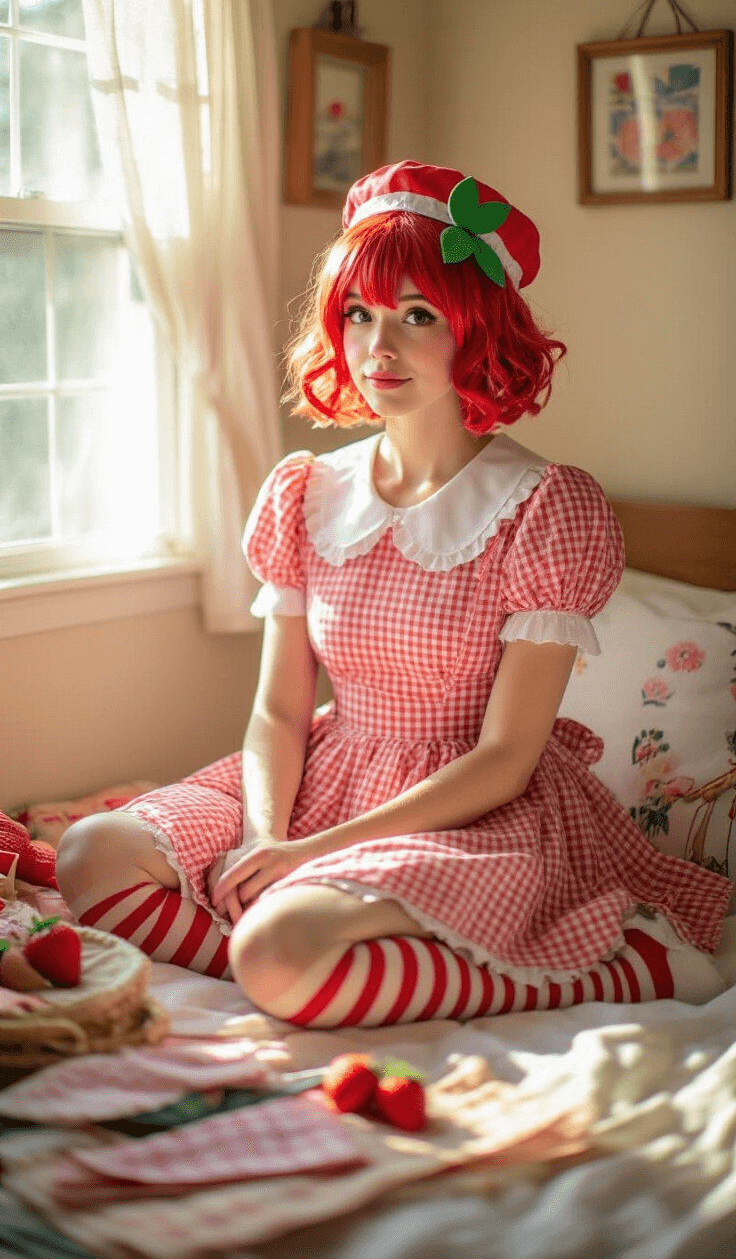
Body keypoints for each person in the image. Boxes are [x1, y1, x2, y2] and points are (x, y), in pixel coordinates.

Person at [56, 161, 732, 1026]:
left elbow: (506, 759)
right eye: (359, 314)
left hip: (480, 815)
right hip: (323, 778)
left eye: (418, 316)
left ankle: (625, 968)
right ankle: (309, 969)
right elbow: (277, 714)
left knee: (274, 947)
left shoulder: (543, 506)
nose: (379, 348)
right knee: (92, 851)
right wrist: (268, 837)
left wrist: (318, 852)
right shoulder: (306, 492)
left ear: (475, 332)